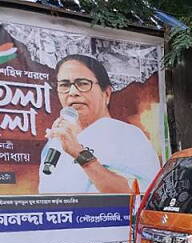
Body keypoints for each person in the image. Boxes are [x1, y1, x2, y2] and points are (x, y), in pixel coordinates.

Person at [39, 54, 159, 194]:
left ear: (106, 94)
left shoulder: (128, 136)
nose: (72, 92)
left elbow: (136, 196)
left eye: (83, 83)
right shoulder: (54, 143)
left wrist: (80, 155)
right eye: (64, 85)